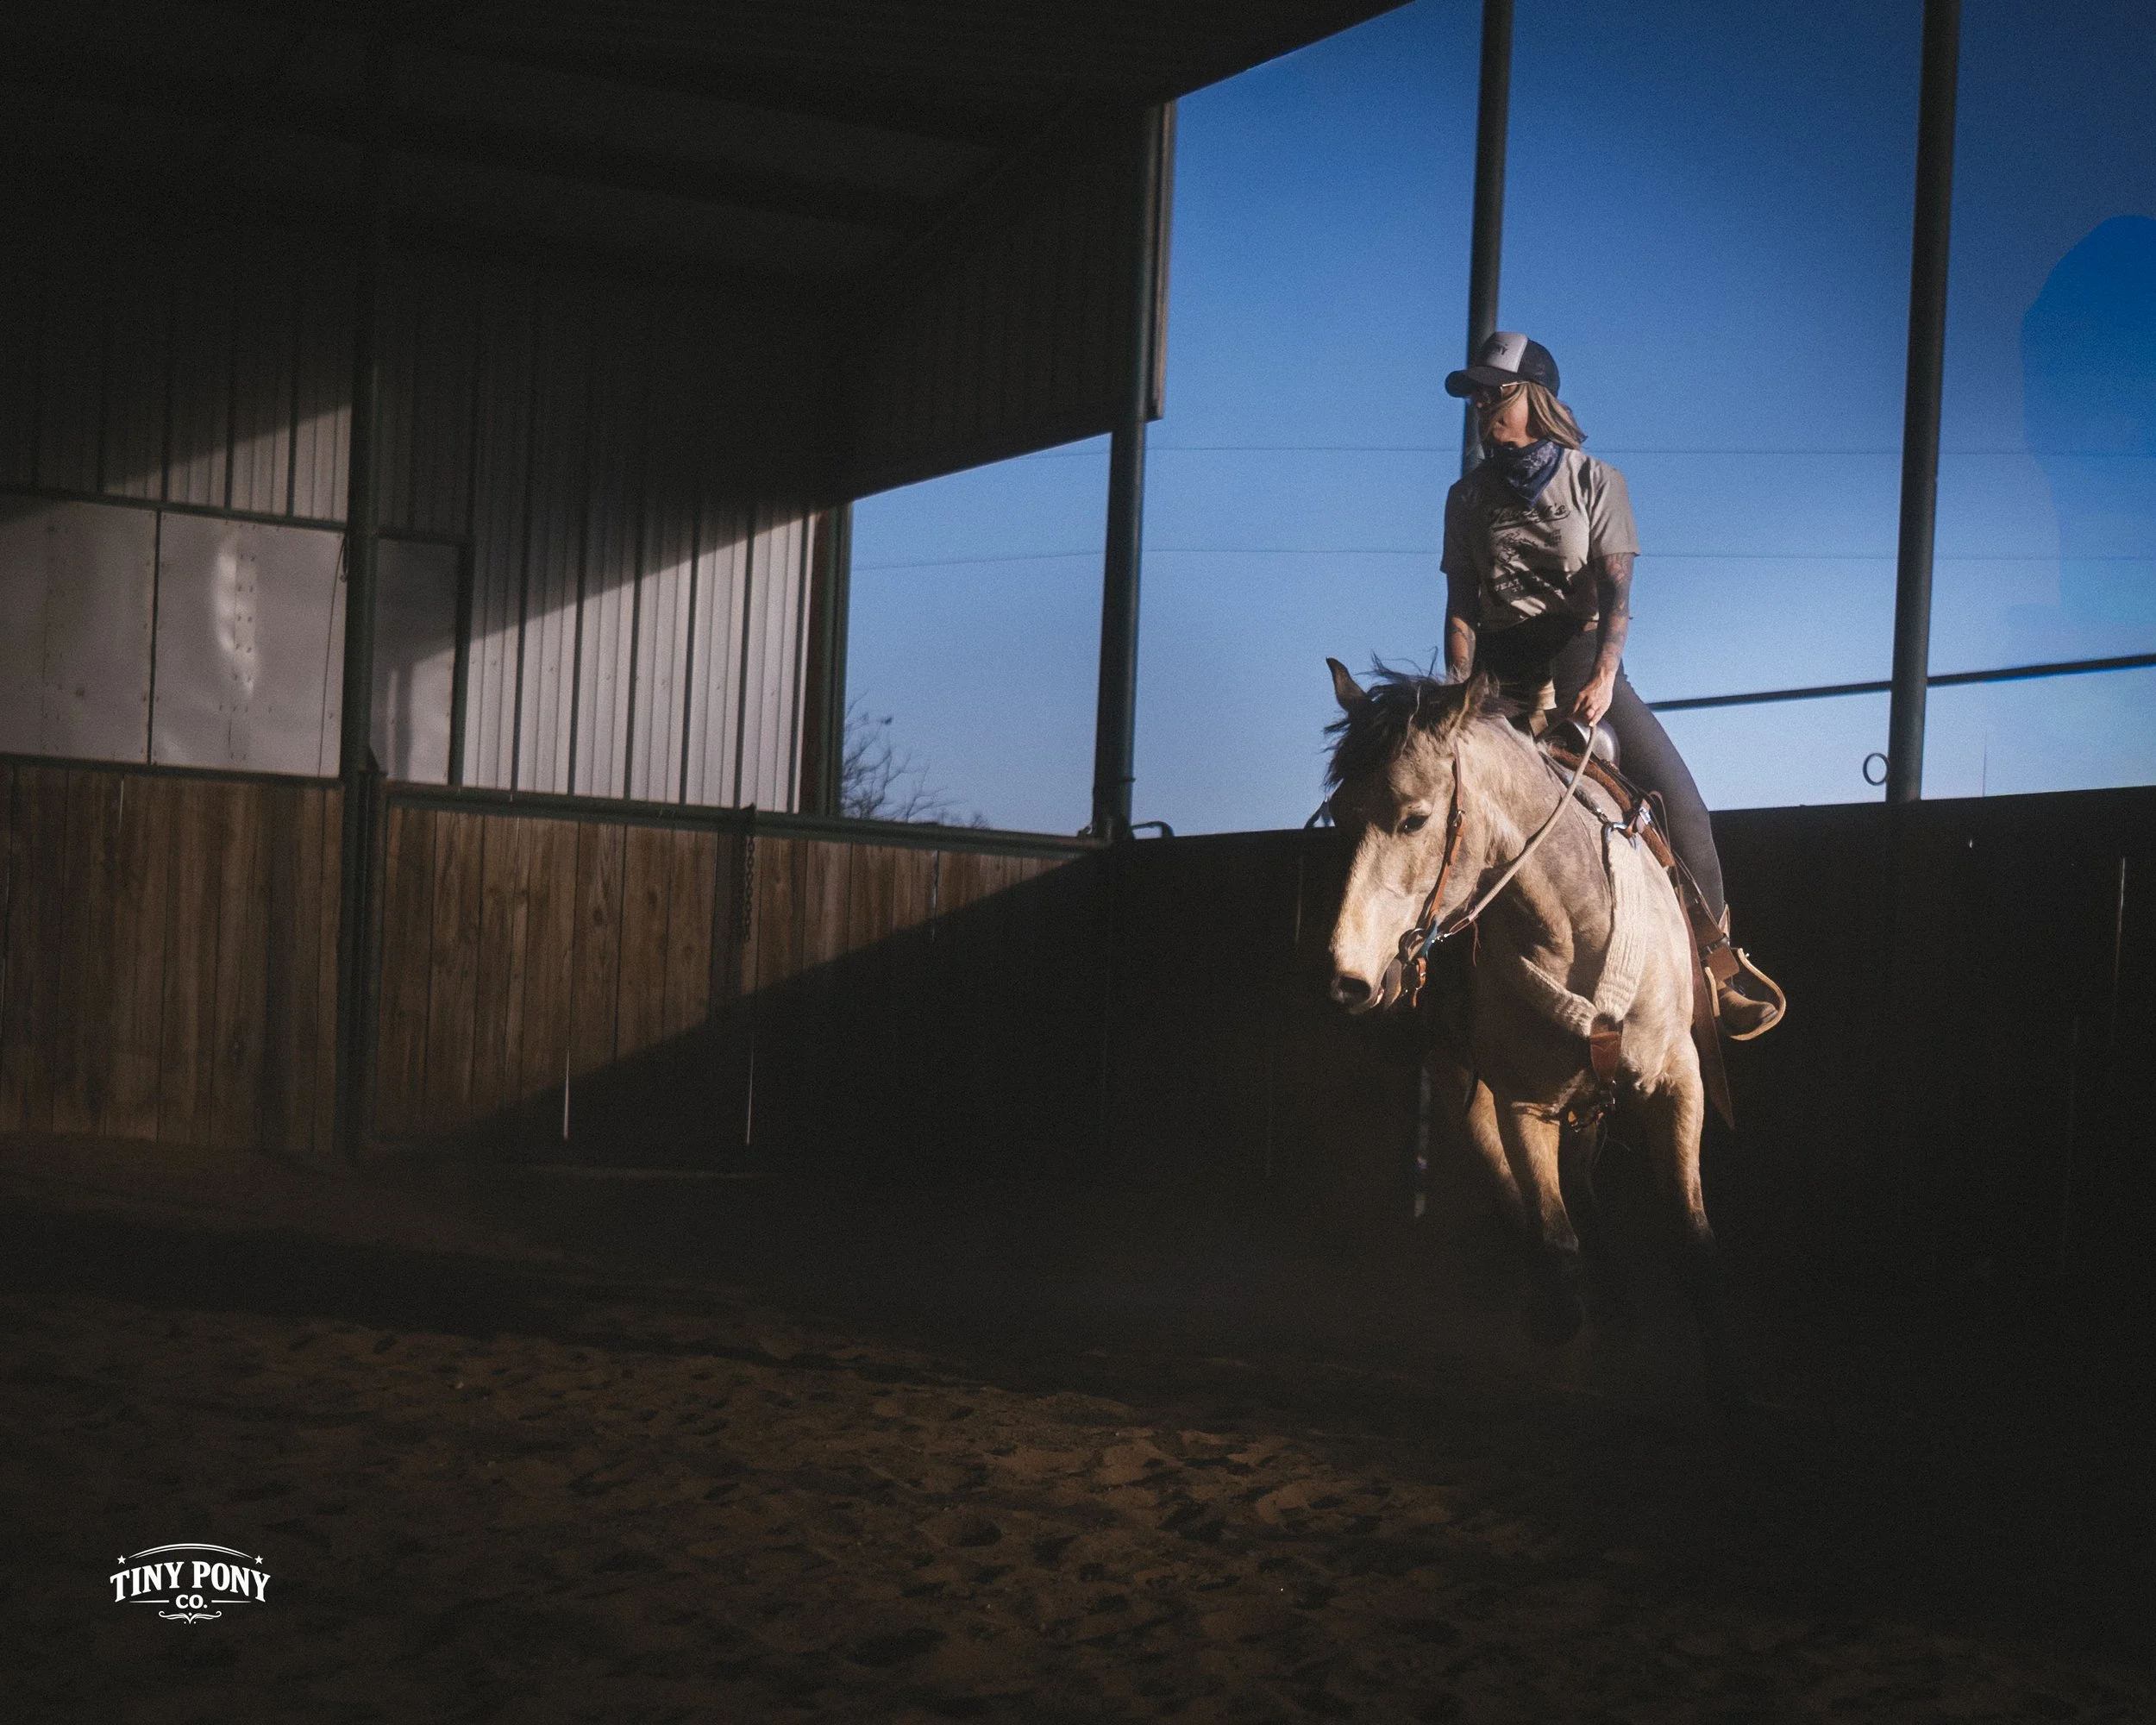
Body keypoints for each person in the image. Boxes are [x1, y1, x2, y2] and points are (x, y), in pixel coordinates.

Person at [1439, 330, 1781, 1038]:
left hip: (1580, 659)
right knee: (1440, 811)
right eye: (1474, 397)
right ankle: (1429, 996)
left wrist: (1602, 677)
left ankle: (1720, 975)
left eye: (1492, 393)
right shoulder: (1465, 498)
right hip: (1498, 674)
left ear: (1534, 398)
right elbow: (1462, 604)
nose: (1480, 407)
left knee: (1683, 805)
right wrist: (1458, 693)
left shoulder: (1597, 481)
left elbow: (1617, 595)